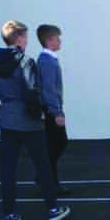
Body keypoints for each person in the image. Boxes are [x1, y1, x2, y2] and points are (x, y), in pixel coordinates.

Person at [0, 20, 71, 220]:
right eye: (25, 37)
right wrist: (40, 114)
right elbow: (31, 91)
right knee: (43, 166)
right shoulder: (26, 62)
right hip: (29, 122)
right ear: (19, 39)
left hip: (7, 121)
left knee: (8, 170)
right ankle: (53, 210)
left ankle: (9, 215)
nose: (27, 41)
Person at [36, 23, 68, 193]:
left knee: (54, 146)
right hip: (51, 111)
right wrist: (57, 113)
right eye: (57, 38)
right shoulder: (47, 61)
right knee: (58, 144)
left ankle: (49, 181)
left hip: (50, 110)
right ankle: (46, 179)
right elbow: (49, 89)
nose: (60, 41)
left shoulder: (49, 59)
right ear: (49, 40)